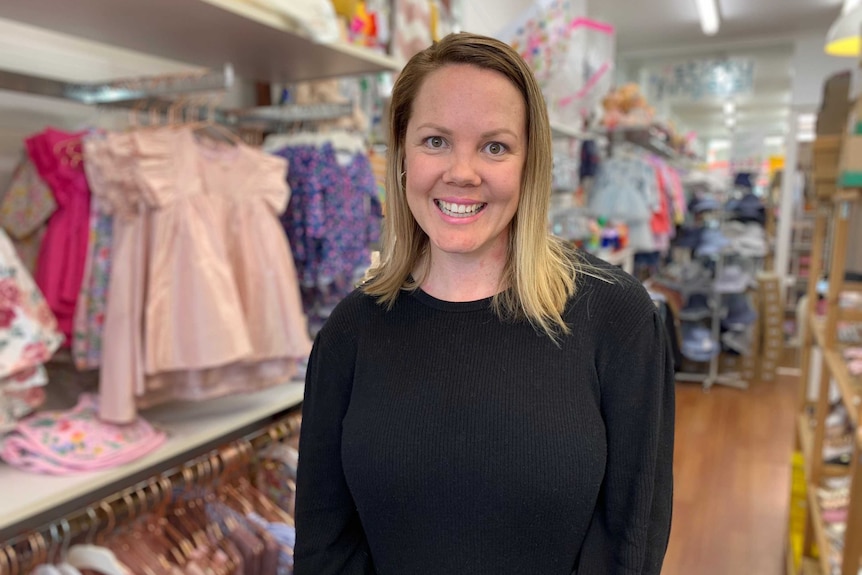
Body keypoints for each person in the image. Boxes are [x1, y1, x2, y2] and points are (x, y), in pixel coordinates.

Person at [294, 32, 674, 575]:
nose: (462, 172)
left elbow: (630, 542)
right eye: (435, 141)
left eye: (494, 146)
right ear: (402, 151)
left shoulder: (616, 318)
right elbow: (323, 544)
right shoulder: (350, 331)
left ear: (529, 161)